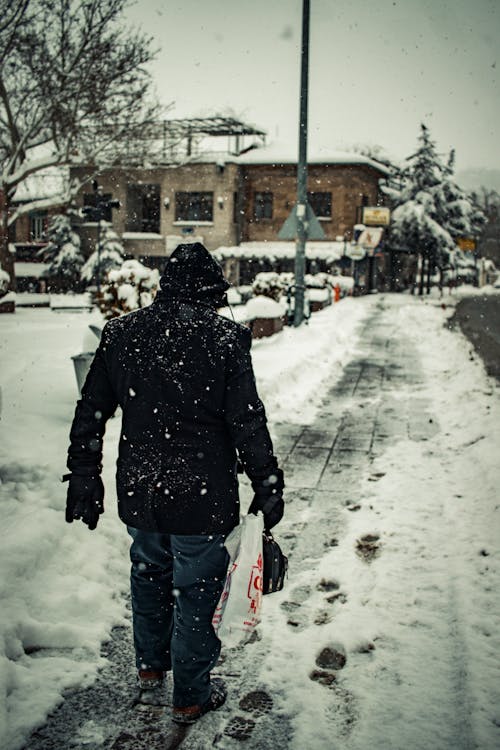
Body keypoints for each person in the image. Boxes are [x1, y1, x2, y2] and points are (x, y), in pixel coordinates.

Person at [64, 242, 284, 725]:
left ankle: (149, 673)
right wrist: (267, 485)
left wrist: (84, 475)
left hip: (141, 490)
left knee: (148, 578)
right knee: (196, 591)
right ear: (211, 290)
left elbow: (92, 410)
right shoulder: (225, 340)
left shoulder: (122, 333)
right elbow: (247, 422)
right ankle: (189, 693)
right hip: (201, 497)